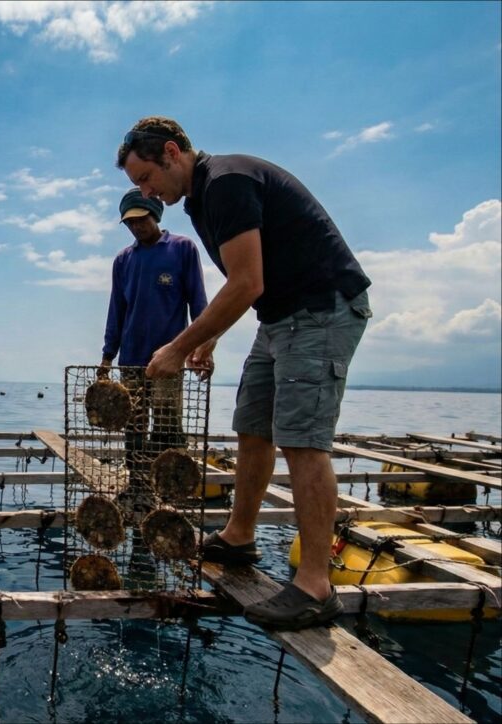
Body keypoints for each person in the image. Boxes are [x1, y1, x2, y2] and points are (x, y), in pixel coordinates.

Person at [116, 116, 372, 631]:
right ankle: (238, 537)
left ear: (172, 152)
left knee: (302, 440)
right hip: (277, 317)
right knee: (252, 426)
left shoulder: (228, 180)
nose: (147, 192)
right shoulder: (200, 200)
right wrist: (208, 339)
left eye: (145, 178)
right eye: (137, 186)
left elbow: (246, 282)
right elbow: (247, 283)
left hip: (322, 308)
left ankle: (315, 587)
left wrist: (178, 346)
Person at [99, 189, 208, 513]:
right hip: (131, 359)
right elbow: (116, 310)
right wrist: (107, 356)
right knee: (134, 426)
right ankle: (138, 487)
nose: (136, 227)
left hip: (169, 359)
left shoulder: (182, 249)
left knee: (167, 423)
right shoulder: (123, 260)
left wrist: (202, 347)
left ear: (155, 215)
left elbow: (198, 303)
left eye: (141, 220)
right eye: (130, 223)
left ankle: (170, 491)